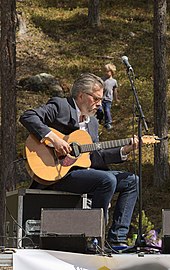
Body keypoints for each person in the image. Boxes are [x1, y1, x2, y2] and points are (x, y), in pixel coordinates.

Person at [20, 72, 139, 246]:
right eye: (96, 99)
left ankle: (117, 240)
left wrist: (124, 149)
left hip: (82, 175)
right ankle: (94, 238)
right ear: (82, 95)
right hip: (56, 173)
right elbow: (28, 116)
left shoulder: (93, 123)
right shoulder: (61, 106)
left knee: (132, 181)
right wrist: (54, 139)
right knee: (106, 180)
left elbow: (95, 156)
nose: (100, 103)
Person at [100, 63, 119, 130]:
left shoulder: (114, 81)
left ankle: (108, 123)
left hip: (108, 99)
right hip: (101, 99)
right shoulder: (102, 80)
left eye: (107, 71)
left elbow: (115, 91)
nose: (106, 73)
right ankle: (100, 120)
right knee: (99, 110)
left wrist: (116, 99)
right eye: (105, 71)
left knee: (107, 110)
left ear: (111, 72)